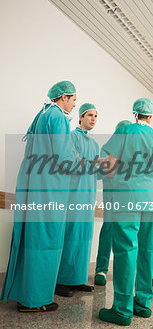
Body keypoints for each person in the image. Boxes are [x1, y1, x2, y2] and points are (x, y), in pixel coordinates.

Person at [1, 81, 77, 312]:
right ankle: (36, 301)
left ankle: (26, 295)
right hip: (50, 189)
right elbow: (64, 157)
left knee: (32, 239)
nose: (75, 104)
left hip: (34, 187)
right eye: (74, 99)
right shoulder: (59, 118)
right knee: (48, 241)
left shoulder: (41, 116)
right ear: (63, 97)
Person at [98, 98, 153, 325]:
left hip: (126, 199)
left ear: (134, 113)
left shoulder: (125, 131)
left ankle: (122, 310)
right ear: (150, 116)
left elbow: (109, 169)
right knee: (147, 251)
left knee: (126, 251)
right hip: (149, 200)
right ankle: (143, 304)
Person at [55, 103, 99, 297]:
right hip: (73, 195)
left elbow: (95, 171)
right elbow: (68, 164)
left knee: (83, 238)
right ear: (80, 117)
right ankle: (62, 281)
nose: (93, 119)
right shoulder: (71, 137)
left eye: (96, 116)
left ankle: (78, 279)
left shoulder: (94, 144)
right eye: (90, 115)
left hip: (88, 197)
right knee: (70, 237)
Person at [94, 120, 132, 287]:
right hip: (111, 195)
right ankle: (101, 269)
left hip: (129, 196)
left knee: (128, 234)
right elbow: (104, 172)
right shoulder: (108, 147)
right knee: (108, 229)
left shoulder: (133, 149)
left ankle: (124, 270)